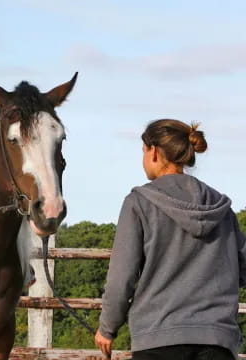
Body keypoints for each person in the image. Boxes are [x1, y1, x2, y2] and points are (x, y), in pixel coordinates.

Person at [95, 119, 246, 359]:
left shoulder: (139, 203)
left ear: (153, 152)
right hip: (218, 341)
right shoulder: (222, 208)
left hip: (158, 340)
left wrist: (107, 328)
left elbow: (121, 278)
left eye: (143, 151)